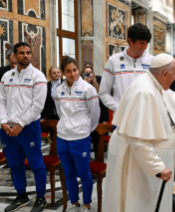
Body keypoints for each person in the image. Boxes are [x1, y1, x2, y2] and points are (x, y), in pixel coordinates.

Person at [102, 53, 175, 212]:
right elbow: (137, 139)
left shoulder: (152, 82)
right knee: (139, 203)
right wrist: (158, 167)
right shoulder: (144, 92)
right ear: (165, 74)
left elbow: (171, 98)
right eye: (174, 75)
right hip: (137, 161)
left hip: (144, 159)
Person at [0, 42, 47, 212]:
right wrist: (3, 122)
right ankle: (21, 196)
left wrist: (21, 124)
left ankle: (41, 198)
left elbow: (37, 106)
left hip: (28, 128)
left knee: (36, 164)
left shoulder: (38, 76)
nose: (25, 55)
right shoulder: (7, 77)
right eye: (21, 53)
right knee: (15, 164)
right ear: (15, 55)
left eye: (28, 52)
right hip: (7, 129)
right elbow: (1, 101)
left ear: (31, 55)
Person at [55, 56, 100, 212]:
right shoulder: (58, 90)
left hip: (80, 138)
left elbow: (95, 114)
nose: (73, 74)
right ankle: (74, 204)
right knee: (69, 174)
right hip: (62, 139)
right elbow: (60, 112)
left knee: (84, 173)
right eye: (68, 71)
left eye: (74, 70)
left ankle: (86, 204)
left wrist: (85, 129)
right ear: (63, 72)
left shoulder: (88, 89)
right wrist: (66, 126)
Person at [99, 23, 153, 112]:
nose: (145, 47)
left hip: (145, 118)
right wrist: (119, 108)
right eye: (141, 43)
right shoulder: (114, 61)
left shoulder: (152, 61)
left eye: (146, 43)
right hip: (121, 120)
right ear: (130, 40)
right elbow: (103, 93)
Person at [80, 64, 109, 157]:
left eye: (90, 73)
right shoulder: (79, 87)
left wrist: (105, 119)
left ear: (93, 74)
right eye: (86, 73)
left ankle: (98, 162)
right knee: (84, 145)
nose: (88, 75)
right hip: (84, 120)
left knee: (98, 143)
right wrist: (83, 84)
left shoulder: (99, 86)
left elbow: (104, 104)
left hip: (98, 120)